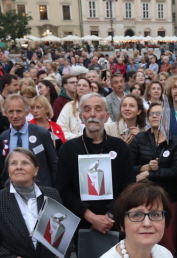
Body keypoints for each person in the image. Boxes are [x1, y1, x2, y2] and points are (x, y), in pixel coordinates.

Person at [57, 93, 135, 236]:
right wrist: (91, 217)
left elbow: (128, 187)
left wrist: (109, 216)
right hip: (81, 223)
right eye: (87, 110)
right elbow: (63, 190)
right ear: (81, 117)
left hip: (115, 222)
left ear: (106, 116)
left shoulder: (120, 147)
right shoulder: (68, 149)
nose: (92, 114)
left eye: (98, 109)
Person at [131, 102, 177, 256]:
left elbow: (175, 171)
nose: (154, 116)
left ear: (166, 117)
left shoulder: (175, 141)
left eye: (158, 113)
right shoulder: (140, 138)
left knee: (167, 240)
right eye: (151, 114)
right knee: (144, 237)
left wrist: (148, 174)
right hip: (142, 196)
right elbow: (129, 166)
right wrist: (145, 168)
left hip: (167, 197)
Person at [0, 95, 58, 190]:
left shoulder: (42, 134)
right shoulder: (2, 138)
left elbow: (54, 163)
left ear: (27, 112)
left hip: (42, 189)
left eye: (19, 111)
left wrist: (54, 190)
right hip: (14, 190)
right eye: (11, 111)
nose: (15, 116)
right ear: (5, 113)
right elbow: (2, 169)